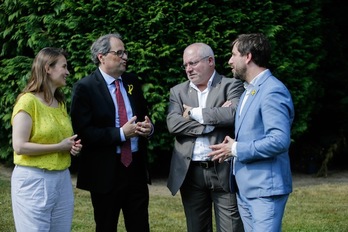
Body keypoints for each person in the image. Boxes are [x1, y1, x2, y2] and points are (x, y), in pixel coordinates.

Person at [208, 33, 295, 232]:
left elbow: (279, 140)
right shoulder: (249, 90)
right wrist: (230, 148)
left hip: (265, 190)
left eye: (233, 55)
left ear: (248, 57)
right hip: (247, 187)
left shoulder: (272, 90)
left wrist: (236, 148)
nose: (229, 61)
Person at [70, 33, 154, 232]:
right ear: (102, 57)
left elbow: (144, 117)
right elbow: (84, 133)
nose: (125, 57)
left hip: (135, 168)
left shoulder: (132, 82)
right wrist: (121, 134)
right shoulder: (85, 87)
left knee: (140, 225)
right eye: (119, 52)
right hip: (105, 170)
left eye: (125, 52)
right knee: (106, 225)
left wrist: (149, 129)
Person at [166, 42, 245, 232]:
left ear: (210, 61)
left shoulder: (231, 85)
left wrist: (192, 113)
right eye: (185, 65)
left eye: (192, 63)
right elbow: (173, 124)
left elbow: (234, 115)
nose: (188, 69)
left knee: (231, 228)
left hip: (223, 169)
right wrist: (212, 122)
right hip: (190, 172)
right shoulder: (178, 91)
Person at [11, 47, 82, 232]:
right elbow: (19, 146)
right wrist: (59, 146)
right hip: (33, 180)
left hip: (61, 179)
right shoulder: (27, 101)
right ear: (47, 68)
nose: (67, 72)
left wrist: (70, 147)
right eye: (63, 66)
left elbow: (61, 140)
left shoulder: (60, 103)